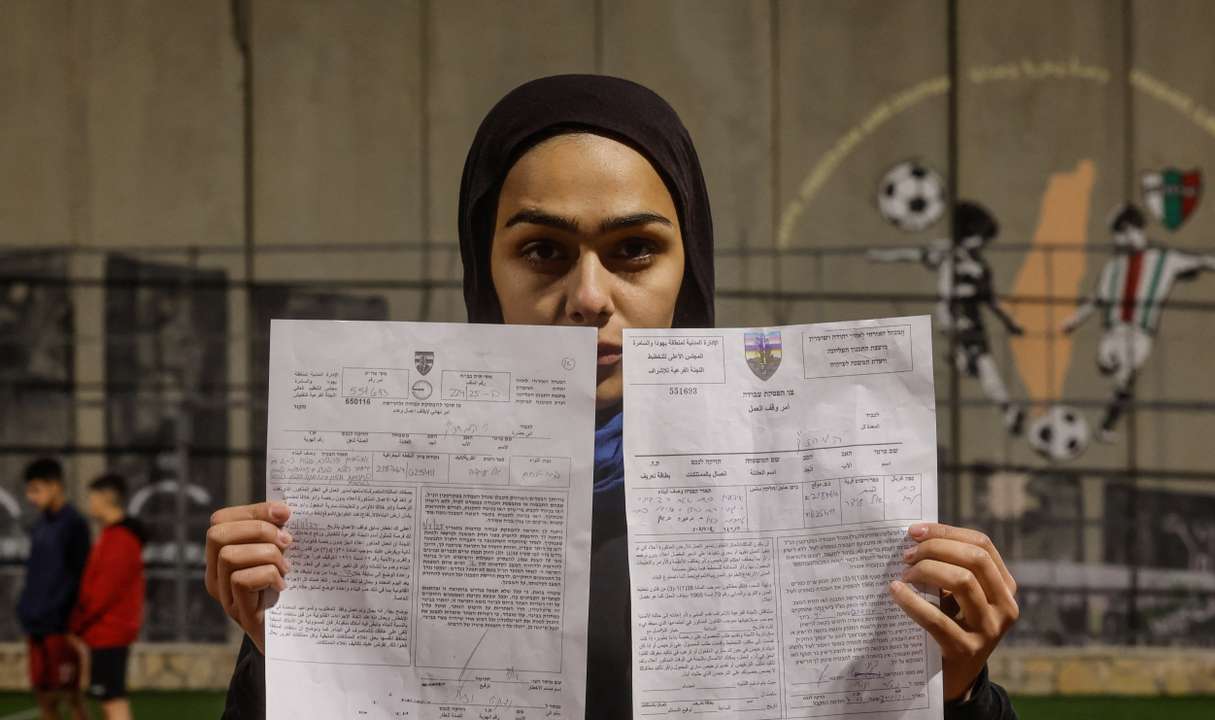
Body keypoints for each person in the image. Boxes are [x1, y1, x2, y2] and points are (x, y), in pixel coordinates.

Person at [207, 74, 1020, 719]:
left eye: (634, 250)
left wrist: (956, 693)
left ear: (688, 269)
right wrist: (288, 662)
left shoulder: (830, 507)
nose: (589, 296)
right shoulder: (360, 518)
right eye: (542, 250)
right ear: (482, 268)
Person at [1062, 203, 1215, 442]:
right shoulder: (1113, 266)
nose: (1115, 241)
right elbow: (1094, 300)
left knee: (1125, 377)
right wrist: (1074, 320)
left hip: (1141, 333)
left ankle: (1106, 426)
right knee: (1109, 366)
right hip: (1112, 331)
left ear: (1130, 229)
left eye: (1117, 234)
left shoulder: (1165, 258)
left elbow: (1203, 261)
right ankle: (1113, 379)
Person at [868, 200, 1026, 436]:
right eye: (980, 237)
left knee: (983, 364)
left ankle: (999, 399)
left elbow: (991, 301)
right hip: (953, 317)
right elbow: (912, 255)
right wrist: (880, 256)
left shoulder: (981, 268)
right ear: (968, 233)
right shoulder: (947, 252)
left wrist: (1010, 323)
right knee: (982, 364)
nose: (983, 244)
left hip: (972, 321)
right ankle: (1003, 403)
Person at [68, 473, 147, 720]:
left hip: (110, 632)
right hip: (105, 632)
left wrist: (77, 624)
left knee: (113, 700)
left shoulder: (121, 540)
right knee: (108, 699)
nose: (89, 503)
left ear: (105, 498)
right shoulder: (112, 535)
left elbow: (103, 592)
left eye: (92, 497)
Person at [18, 457, 90, 720]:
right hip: (35, 623)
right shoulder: (40, 526)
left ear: (55, 486)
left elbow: (81, 576)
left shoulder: (75, 525)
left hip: (61, 627)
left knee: (71, 697)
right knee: (43, 695)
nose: (30, 497)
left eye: (35, 489)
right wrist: (26, 608)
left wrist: (72, 621)